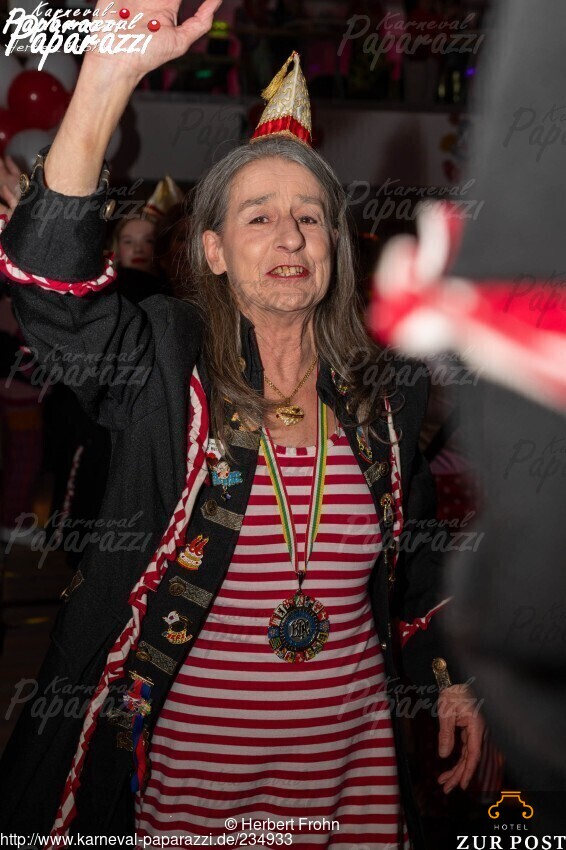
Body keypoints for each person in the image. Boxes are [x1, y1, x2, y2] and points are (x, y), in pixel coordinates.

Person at [0, 3, 484, 845]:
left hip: (357, 797)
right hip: (189, 801)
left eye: (310, 217)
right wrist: (107, 74)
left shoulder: (385, 392)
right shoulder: (166, 361)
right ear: (215, 251)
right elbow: (52, 287)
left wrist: (450, 676)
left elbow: (413, 564)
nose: (290, 236)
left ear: (334, 248)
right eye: (259, 216)